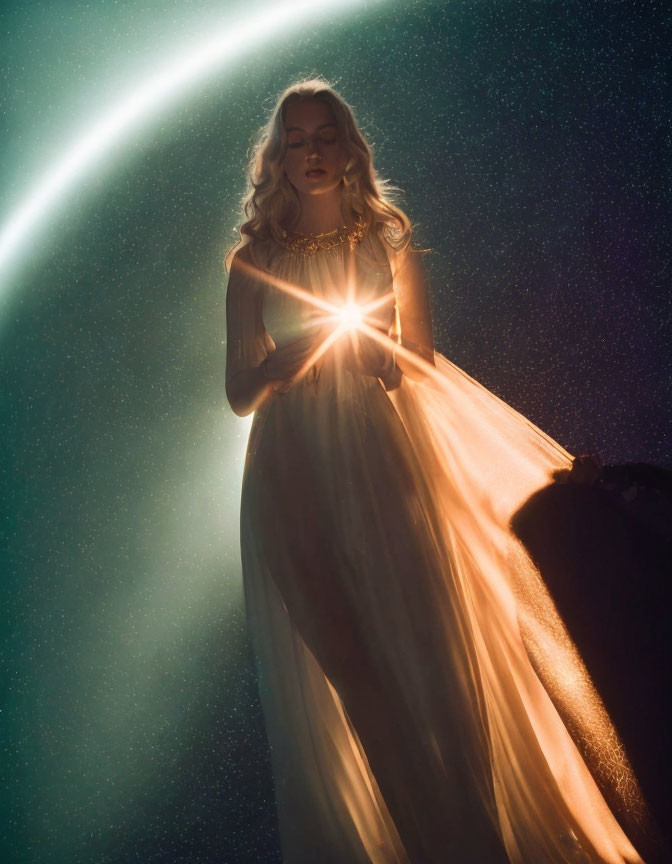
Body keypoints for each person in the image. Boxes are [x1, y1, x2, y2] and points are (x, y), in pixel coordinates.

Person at [224, 77, 651, 863]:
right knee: (357, 688)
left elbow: (414, 362)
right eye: (296, 140)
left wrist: (369, 354)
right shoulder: (253, 260)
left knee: (436, 666)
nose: (312, 152)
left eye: (325, 136)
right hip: (291, 481)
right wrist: (280, 366)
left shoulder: (388, 242)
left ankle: (477, 843)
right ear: (277, 158)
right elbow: (237, 394)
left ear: (347, 148)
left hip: (385, 465)